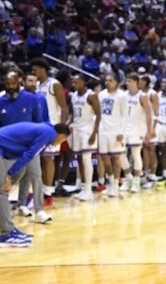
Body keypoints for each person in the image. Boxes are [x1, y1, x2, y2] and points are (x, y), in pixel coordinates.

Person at [1, 122, 69, 247]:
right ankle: (6, 233)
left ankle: (8, 229)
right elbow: (29, 155)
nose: (61, 142)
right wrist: (9, 174)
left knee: (5, 187)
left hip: (4, 149)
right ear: (61, 135)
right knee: (2, 190)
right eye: (63, 140)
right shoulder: (48, 134)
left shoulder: (46, 130)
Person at [1, 68, 51, 224]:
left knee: (35, 176)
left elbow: (40, 122)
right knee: (9, 180)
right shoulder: (1, 101)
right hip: (9, 149)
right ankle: (18, 206)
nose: (10, 86)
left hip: (29, 146)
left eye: (13, 83)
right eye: (7, 84)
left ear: (19, 82)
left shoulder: (31, 99)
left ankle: (39, 210)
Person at [30, 59, 68, 206]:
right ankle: (41, 191)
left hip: (52, 127)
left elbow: (64, 107)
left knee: (48, 159)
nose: (33, 73)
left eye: (35, 70)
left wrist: (62, 128)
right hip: (38, 128)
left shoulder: (54, 84)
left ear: (43, 69)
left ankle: (48, 193)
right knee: (39, 160)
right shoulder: (36, 85)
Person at [95, 74, 128, 198]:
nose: (107, 82)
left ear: (116, 82)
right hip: (103, 131)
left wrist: (121, 132)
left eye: (111, 80)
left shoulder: (122, 96)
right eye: (106, 80)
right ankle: (110, 182)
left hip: (115, 131)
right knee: (104, 158)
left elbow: (125, 115)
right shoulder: (101, 94)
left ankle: (115, 185)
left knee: (116, 158)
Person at [68, 74, 100, 202]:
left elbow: (98, 115)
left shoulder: (91, 95)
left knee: (87, 158)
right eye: (73, 82)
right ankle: (83, 187)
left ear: (83, 82)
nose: (73, 84)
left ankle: (88, 190)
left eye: (76, 82)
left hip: (88, 130)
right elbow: (73, 114)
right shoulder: (74, 95)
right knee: (80, 158)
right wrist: (67, 124)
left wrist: (94, 133)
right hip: (77, 129)